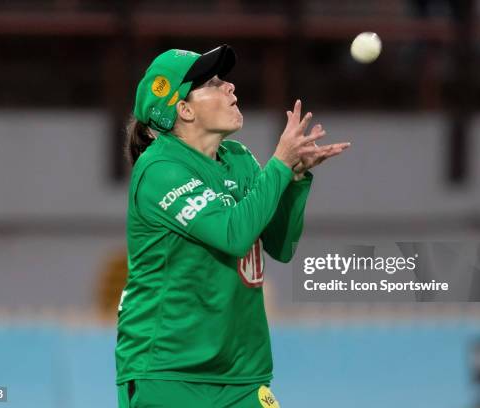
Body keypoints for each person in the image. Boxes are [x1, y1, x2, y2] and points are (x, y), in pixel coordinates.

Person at [116, 44, 350, 408]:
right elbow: (233, 235)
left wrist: (295, 178)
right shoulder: (159, 170)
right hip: (169, 373)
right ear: (184, 109)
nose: (230, 87)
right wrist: (279, 166)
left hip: (242, 375)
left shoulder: (238, 160)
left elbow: (280, 245)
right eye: (212, 82)